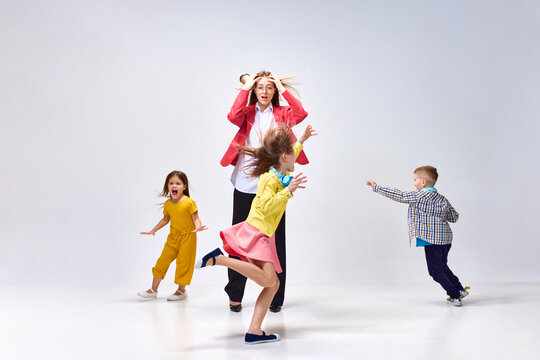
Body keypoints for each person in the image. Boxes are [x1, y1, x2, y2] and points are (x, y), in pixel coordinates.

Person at [197, 125, 317, 344]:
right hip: (257, 234)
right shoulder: (268, 179)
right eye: (292, 155)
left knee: (272, 284)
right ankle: (220, 259)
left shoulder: (281, 172)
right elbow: (266, 207)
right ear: (283, 156)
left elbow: (292, 154)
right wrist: (288, 192)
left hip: (264, 235)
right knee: (269, 280)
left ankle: (254, 330)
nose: (295, 159)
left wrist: (302, 140)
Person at [220, 70, 309, 313]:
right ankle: (235, 294)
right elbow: (232, 115)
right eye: (260, 87)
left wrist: (282, 86)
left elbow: (301, 113)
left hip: (273, 183)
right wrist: (246, 86)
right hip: (245, 183)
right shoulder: (247, 112)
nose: (265, 91)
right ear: (254, 91)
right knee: (239, 239)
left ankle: (276, 297)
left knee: (275, 240)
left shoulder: (282, 114)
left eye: (269, 88)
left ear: (274, 92)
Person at [366, 166, 469, 306]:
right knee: (443, 266)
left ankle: (454, 295)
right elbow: (454, 217)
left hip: (432, 241)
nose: (413, 182)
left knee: (435, 271)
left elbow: (400, 195)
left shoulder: (419, 196)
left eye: (415, 180)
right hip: (446, 240)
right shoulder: (442, 198)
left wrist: (377, 187)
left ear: (423, 182)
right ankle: (459, 289)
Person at [138, 170, 207, 300]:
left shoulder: (189, 202)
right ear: (167, 186)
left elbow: (196, 218)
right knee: (162, 261)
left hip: (188, 237)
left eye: (178, 183)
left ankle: (181, 291)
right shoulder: (168, 204)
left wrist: (198, 227)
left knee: (184, 263)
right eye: (171, 183)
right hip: (173, 237)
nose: (174, 186)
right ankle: (153, 290)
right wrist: (154, 230)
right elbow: (165, 219)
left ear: (184, 186)